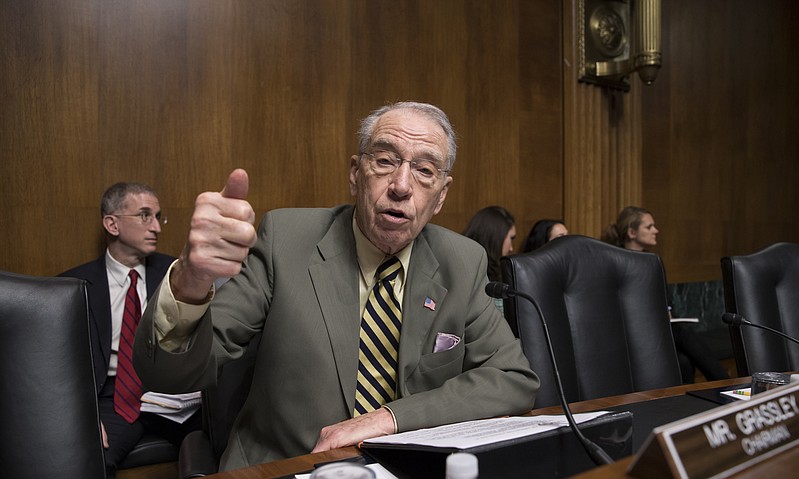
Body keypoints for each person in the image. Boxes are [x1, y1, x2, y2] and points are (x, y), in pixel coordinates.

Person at [133, 101, 540, 471]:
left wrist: (389, 419)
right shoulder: (285, 240)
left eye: (424, 170)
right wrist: (191, 280)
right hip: (288, 468)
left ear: (440, 196)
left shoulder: (462, 261)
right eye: (384, 161)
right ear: (354, 173)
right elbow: (170, 376)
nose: (401, 185)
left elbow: (512, 378)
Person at [60, 183, 201, 478]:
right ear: (112, 224)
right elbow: (59, 362)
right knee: (87, 458)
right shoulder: (73, 286)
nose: (156, 227)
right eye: (144, 216)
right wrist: (81, 415)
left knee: (220, 442)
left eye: (158, 217)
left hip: (169, 393)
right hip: (111, 396)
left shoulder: (178, 274)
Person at [601, 206, 730, 383]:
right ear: (632, 232)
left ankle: (698, 401)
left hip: (657, 330)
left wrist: (667, 311)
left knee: (684, 362)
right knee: (682, 334)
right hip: (627, 331)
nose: (656, 231)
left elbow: (665, 299)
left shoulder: (654, 262)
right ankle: (725, 383)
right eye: (649, 227)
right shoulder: (613, 263)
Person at [462, 206, 516, 314]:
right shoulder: (469, 274)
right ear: (496, 237)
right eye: (511, 238)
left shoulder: (501, 273)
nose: (511, 248)